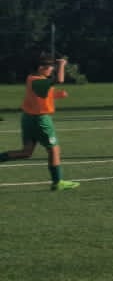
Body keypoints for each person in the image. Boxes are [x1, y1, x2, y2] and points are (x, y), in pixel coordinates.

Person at [6, 54, 79, 190]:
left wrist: (58, 95)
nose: (52, 69)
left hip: (28, 118)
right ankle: (57, 182)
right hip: (40, 120)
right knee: (54, 149)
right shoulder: (37, 80)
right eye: (50, 67)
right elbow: (60, 80)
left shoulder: (32, 79)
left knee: (26, 152)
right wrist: (62, 64)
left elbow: (42, 96)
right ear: (41, 68)